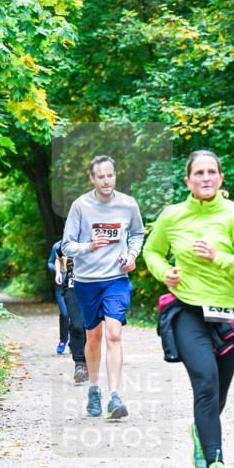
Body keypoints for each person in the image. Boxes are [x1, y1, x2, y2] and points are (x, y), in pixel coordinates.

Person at [143, 150, 234, 468]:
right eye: (199, 173)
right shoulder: (173, 215)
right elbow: (151, 251)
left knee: (218, 394)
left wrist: (217, 257)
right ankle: (216, 465)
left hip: (230, 313)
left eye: (211, 172)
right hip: (188, 310)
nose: (205, 178)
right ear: (188, 180)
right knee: (206, 383)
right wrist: (165, 272)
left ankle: (200, 430)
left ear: (221, 178)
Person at [61, 155, 145, 419]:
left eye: (110, 175)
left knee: (114, 334)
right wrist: (89, 246)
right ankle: (94, 389)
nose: (106, 181)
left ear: (115, 175)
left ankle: (115, 396)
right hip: (87, 282)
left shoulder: (128, 204)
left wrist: (131, 255)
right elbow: (66, 245)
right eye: (101, 177)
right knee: (94, 337)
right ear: (92, 178)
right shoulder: (80, 206)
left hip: (116, 279)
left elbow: (137, 234)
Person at [54, 239, 89, 383]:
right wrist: (58, 272)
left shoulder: (95, 237)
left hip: (91, 289)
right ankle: (79, 364)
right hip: (72, 289)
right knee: (76, 326)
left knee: (88, 327)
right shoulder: (66, 243)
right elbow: (58, 257)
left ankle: (87, 363)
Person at [47, 240, 70, 355]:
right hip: (60, 285)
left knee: (76, 315)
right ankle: (63, 340)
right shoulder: (57, 245)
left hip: (75, 285)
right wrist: (57, 271)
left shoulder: (80, 243)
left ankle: (74, 342)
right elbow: (50, 263)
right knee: (64, 313)